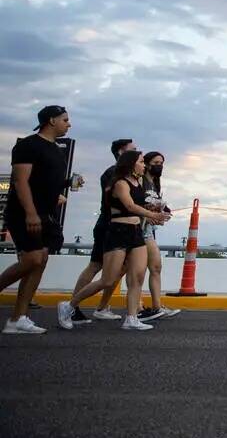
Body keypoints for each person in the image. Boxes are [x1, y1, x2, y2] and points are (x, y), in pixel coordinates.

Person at [58, 150, 168, 331]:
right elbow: (130, 206)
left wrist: (155, 210)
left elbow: (138, 206)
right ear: (131, 164)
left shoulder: (139, 183)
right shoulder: (119, 183)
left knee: (137, 277)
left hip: (136, 233)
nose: (144, 165)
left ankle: (131, 318)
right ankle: (69, 305)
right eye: (141, 162)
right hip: (118, 231)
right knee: (108, 280)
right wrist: (152, 214)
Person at [0, 106, 71, 334]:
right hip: (24, 212)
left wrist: (57, 194)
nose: (68, 124)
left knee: (40, 261)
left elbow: (46, 181)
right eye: (65, 120)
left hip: (46, 213)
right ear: (51, 121)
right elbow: (20, 182)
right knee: (32, 259)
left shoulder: (56, 149)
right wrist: (30, 212)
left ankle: (18, 318)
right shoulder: (28, 145)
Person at [67, 138, 134, 325]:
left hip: (121, 227)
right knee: (96, 266)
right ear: (121, 152)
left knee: (122, 267)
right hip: (108, 225)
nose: (137, 153)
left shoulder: (124, 174)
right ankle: (72, 307)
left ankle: (102, 307)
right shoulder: (113, 173)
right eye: (133, 150)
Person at [136, 151, 179, 322]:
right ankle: (137, 307)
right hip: (136, 229)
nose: (159, 165)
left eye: (161, 162)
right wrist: (149, 214)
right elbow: (133, 204)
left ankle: (156, 306)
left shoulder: (155, 183)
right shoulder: (140, 181)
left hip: (148, 231)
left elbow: (155, 204)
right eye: (156, 162)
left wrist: (163, 212)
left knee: (155, 267)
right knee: (131, 272)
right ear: (146, 163)